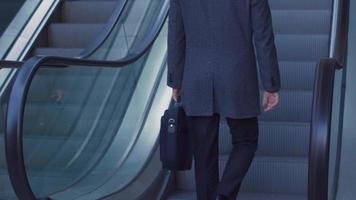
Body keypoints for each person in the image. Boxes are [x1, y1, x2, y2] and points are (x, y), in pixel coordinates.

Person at [167, 0, 281, 199]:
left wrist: (176, 79)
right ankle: (224, 194)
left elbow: (175, 31)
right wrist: (270, 84)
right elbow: (264, 35)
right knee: (246, 140)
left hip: (197, 76)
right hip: (237, 75)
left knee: (203, 153)